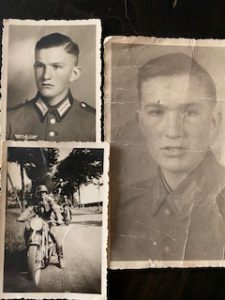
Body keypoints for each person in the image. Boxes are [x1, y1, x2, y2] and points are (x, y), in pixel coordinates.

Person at [111, 52, 225, 262]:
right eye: (157, 112)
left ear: (213, 123)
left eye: (189, 112)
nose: (173, 131)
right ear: (141, 123)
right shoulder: (120, 208)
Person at [7, 32, 95, 141]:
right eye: (40, 66)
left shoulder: (94, 122)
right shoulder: (9, 120)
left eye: (56, 66)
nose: (46, 76)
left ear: (74, 74)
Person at [17, 185, 66, 268]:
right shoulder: (35, 201)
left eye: (44, 193)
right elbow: (29, 209)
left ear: (46, 193)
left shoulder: (50, 201)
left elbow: (56, 209)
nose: (42, 195)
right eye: (40, 193)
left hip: (49, 221)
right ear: (37, 194)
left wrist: (59, 219)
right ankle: (29, 249)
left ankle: (60, 258)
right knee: (27, 230)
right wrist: (21, 217)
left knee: (57, 239)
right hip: (39, 221)